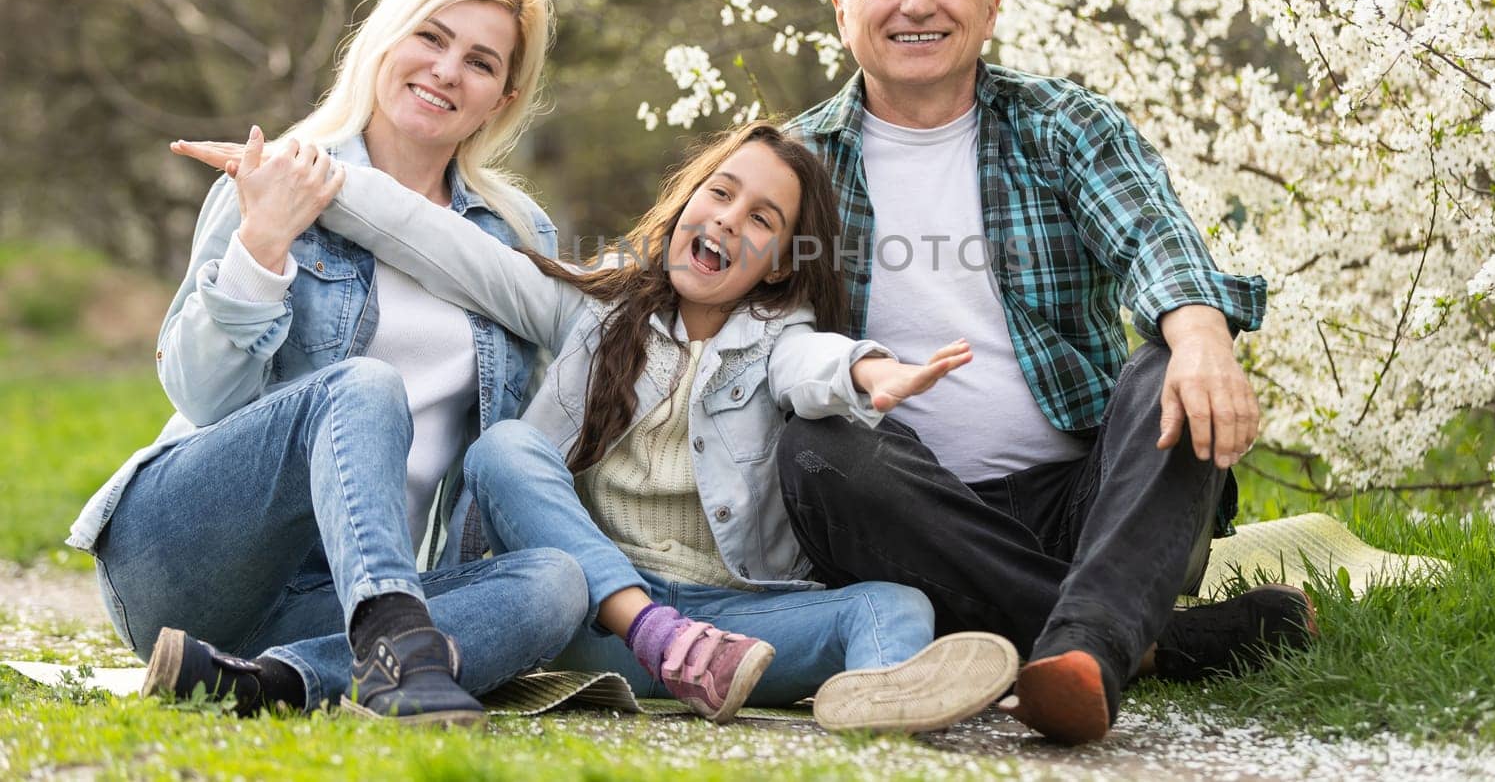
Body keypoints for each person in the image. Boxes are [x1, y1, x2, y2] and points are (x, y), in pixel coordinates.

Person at [178, 120, 1021, 731]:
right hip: (600, 622)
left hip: (735, 633)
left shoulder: (781, 344)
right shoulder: (591, 309)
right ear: (686, 201)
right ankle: (659, 638)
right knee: (507, 448)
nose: (730, 219)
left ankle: (883, 692)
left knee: (889, 601)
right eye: (720, 192)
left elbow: (821, 366)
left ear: (782, 261)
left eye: (763, 219)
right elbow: (442, 243)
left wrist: (876, 373)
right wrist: (303, 172)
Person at [779, 0, 1319, 744]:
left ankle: (1072, 633)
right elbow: (732, 327)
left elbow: (1154, 237)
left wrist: (1203, 332)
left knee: (1164, 365)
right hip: (909, 516)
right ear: (843, 11)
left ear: (991, 8)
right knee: (814, 443)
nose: (917, 4)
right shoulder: (794, 164)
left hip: (1093, 504)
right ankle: (1117, 639)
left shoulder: (1064, 126)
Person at [68, 0, 588, 727]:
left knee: (557, 581)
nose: (447, 70)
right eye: (431, 37)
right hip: (186, 561)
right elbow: (200, 395)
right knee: (362, 386)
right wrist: (263, 247)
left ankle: (276, 681)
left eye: (479, 62)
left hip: (331, 602)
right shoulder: (273, 174)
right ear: (385, 37)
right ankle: (395, 644)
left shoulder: (515, 235)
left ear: (500, 99)